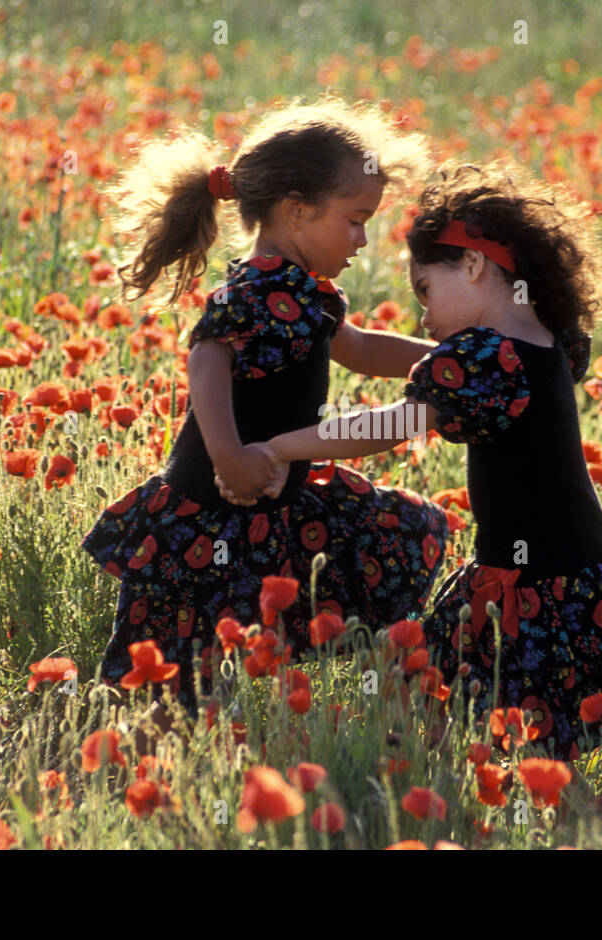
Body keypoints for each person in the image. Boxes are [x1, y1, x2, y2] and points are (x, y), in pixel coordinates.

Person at [226, 161, 602, 761]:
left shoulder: (486, 358)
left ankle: (519, 808)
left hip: (542, 586)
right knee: (445, 696)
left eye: (424, 291)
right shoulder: (547, 342)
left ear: (470, 265)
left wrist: (281, 446)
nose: (423, 316)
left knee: (508, 724)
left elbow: (394, 424)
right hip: (564, 574)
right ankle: (435, 786)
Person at [81, 97, 451, 720]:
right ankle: (137, 760)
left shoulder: (307, 292)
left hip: (273, 497)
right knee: (176, 682)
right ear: (297, 211)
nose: (363, 238)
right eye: (356, 220)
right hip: (210, 506)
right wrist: (229, 455)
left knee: (399, 534)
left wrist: (451, 356)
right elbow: (206, 355)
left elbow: (359, 348)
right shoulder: (257, 286)